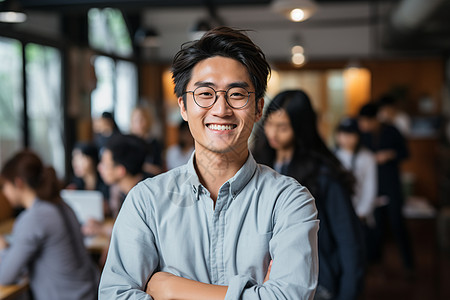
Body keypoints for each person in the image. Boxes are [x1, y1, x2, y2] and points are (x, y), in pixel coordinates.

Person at [99, 27, 319, 299]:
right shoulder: (146, 201)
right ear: (183, 106)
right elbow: (115, 294)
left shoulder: (289, 200)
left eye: (237, 94)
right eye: (205, 94)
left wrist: (170, 288)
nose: (221, 109)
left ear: (259, 108)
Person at [253, 90, 365, 300]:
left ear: (300, 128)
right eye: (269, 124)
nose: (273, 134)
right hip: (266, 285)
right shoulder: (257, 167)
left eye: (283, 127)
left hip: (317, 285)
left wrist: (348, 292)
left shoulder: (323, 175)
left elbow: (349, 240)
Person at [0, 150, 98, 300]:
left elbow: (4, 276)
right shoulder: (62, 205)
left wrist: (3, 249)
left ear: (18, 183)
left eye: (4, 186)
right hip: (90, 292)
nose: (4, 192)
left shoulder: (34, 217)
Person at [358, 102, 414, 272]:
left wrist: (390, 154)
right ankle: (376, 264)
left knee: (397, 224)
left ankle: (408, 264)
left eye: (367, 121)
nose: (364, 125)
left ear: (376, 119)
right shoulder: (363, 135)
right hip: (373, 185)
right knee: (377, 226)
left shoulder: (392, 130)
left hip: (391, 184)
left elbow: (406, 153)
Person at [82, 134, 147, 237]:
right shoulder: (121, 192)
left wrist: (102, 229)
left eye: (104, 164)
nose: (99, 168)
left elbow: (132, 233)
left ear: (120, 171)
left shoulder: (143, 199)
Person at [334, 117, 377, 223]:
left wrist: (362, 212)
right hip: (337, 212)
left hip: (358, 212)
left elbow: (370, 187)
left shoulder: (367, 157)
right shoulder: (332, 156)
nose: (346, 138)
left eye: (350, 134)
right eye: (342, 134)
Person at [67, 142, 110, 215]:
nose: (75, 163)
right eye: (74, 158)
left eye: (81, 158)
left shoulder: (107, 182)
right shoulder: (74, 186)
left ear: (93, 159)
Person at [130, 106, 164, 176]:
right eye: (136, 120)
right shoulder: (128, 143)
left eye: (142, 119)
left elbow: (159, 170)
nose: (139, 123)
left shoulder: (154, 143)